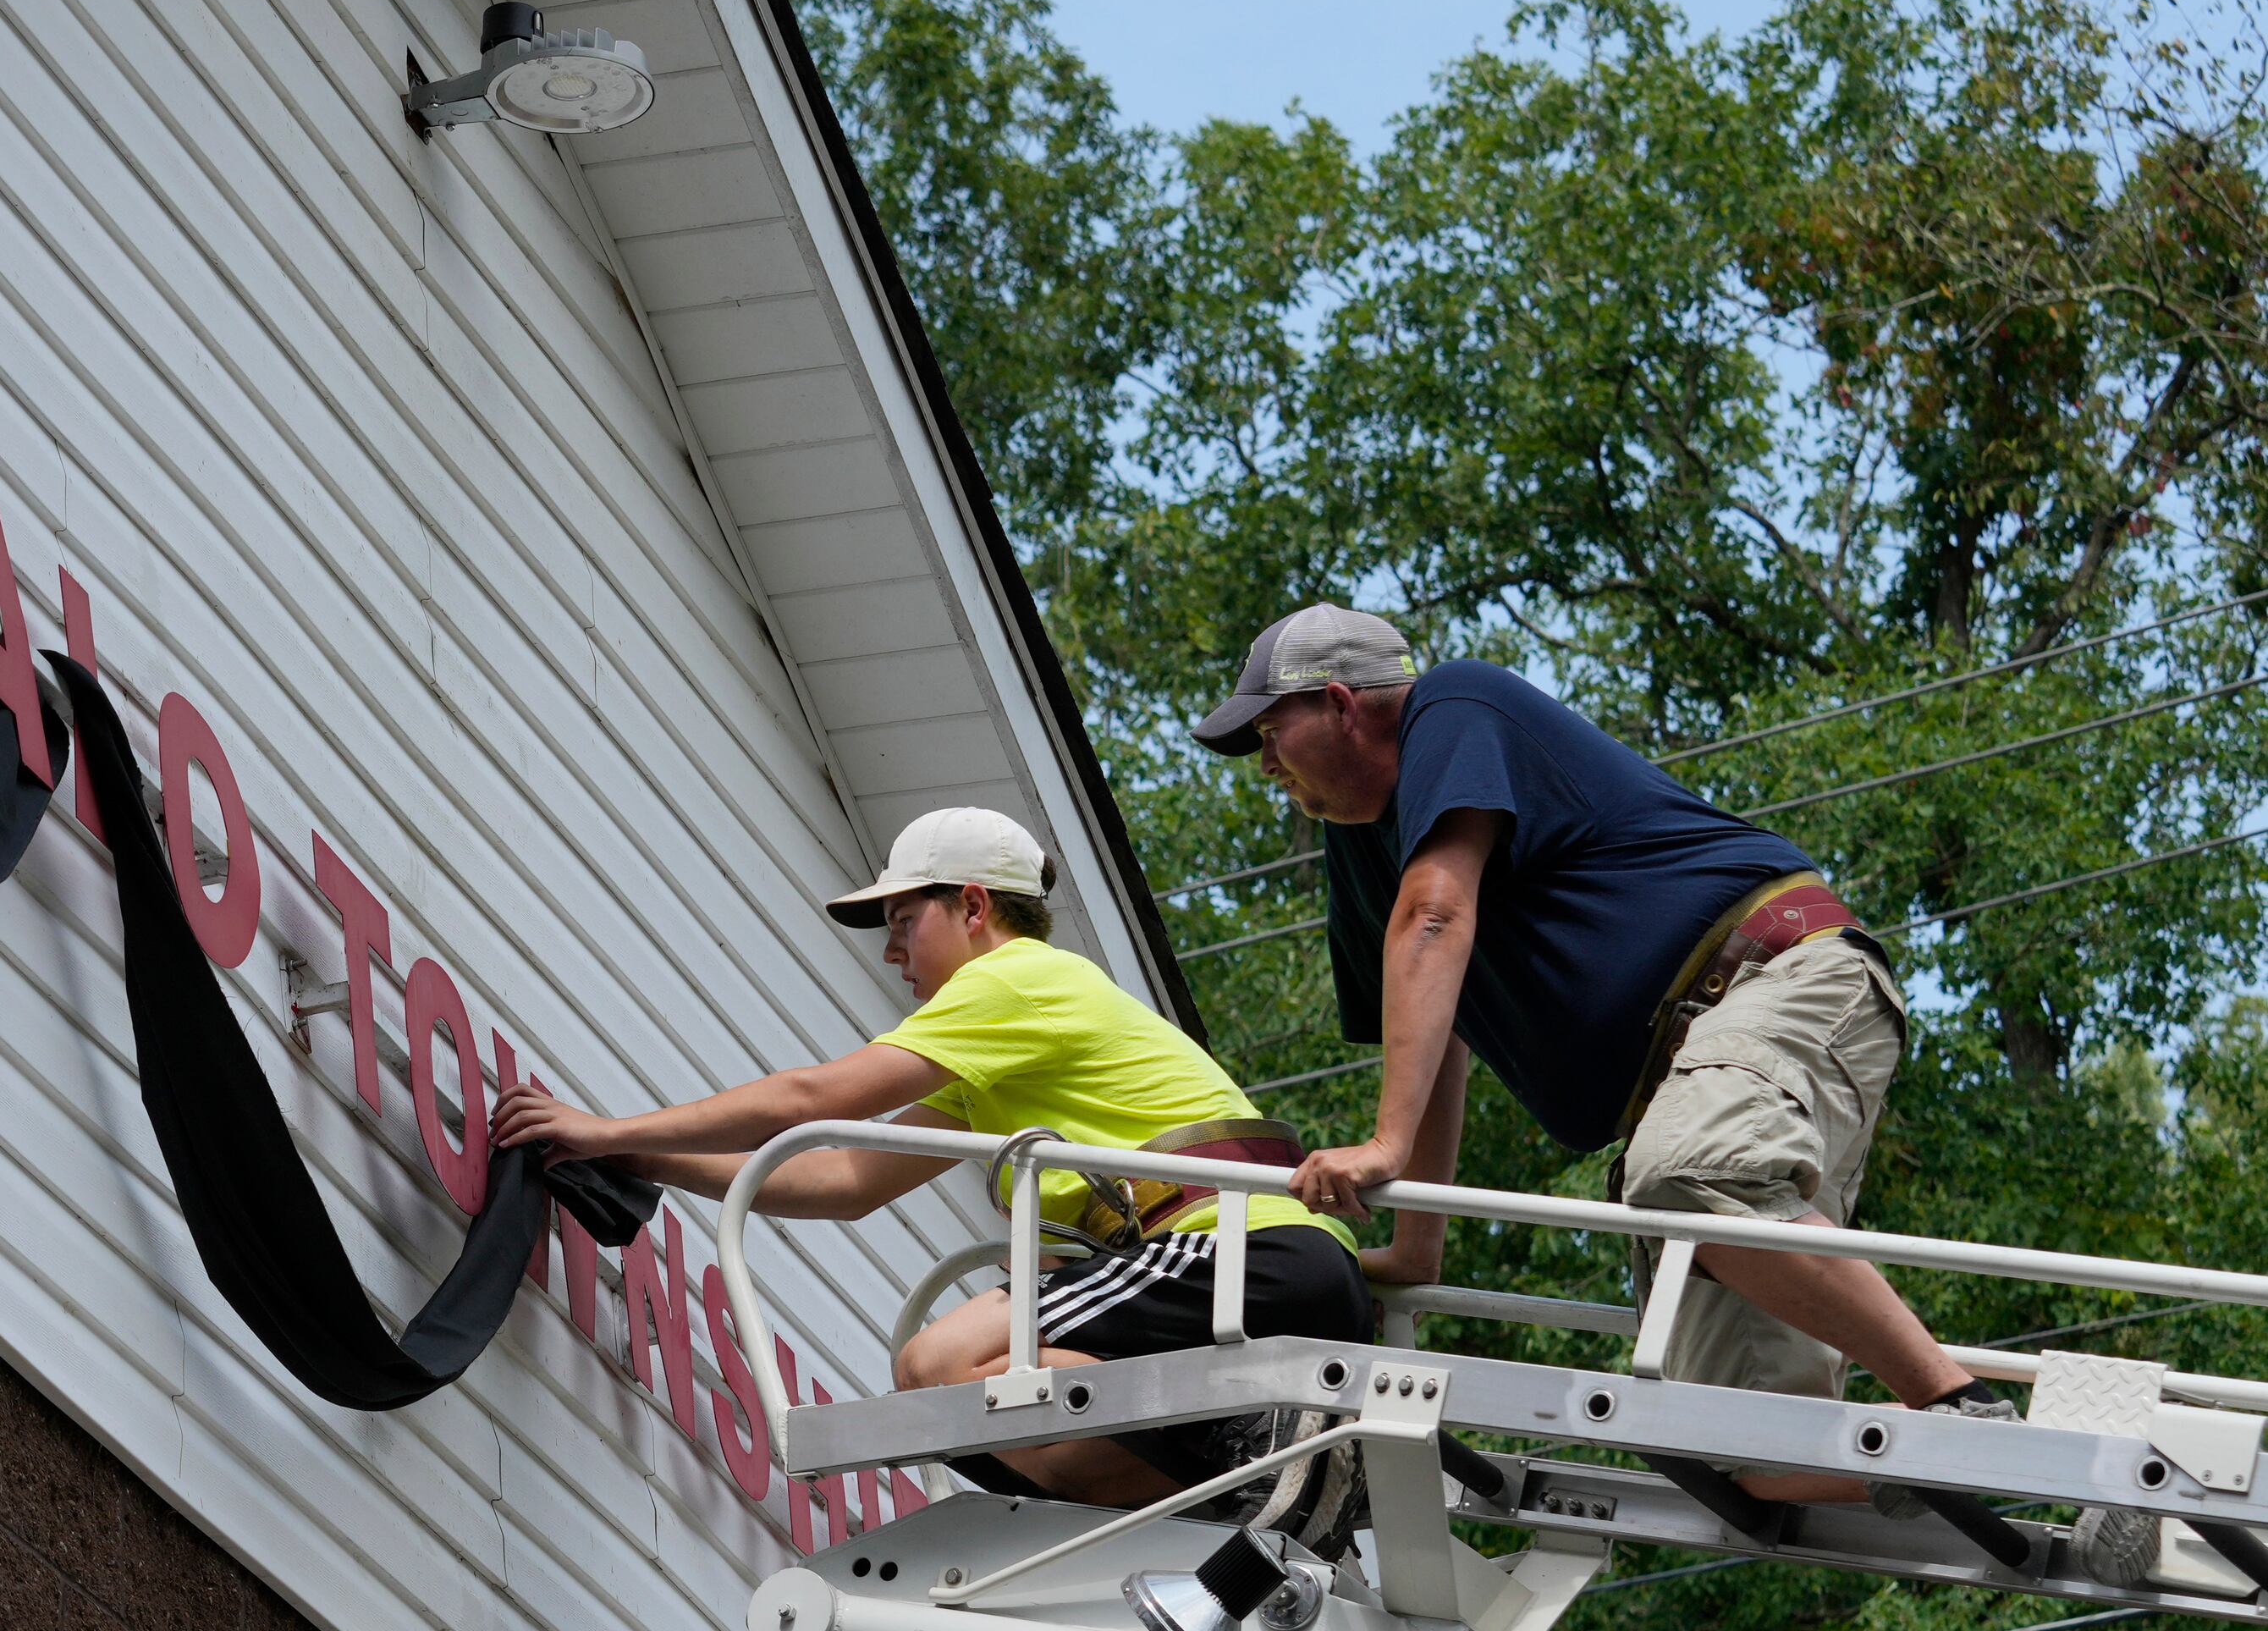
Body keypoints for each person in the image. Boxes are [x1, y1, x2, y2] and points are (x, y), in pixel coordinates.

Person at [1188, 606, 2014, 1524]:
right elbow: (1435, 1022)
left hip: (1774, 980)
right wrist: (1416, 1240)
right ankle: (1998, 1473)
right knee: (1741, 1451)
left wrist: (1381, 1147)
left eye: (1270, 732)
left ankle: (1951, 1406)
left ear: (1342, 704)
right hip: (1692, 1074)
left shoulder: (1455, 705)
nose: (1265, 763)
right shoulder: (1362, 846)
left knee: (1685, 1174)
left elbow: (1432, 918)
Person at [489, 806, 1372, 1518]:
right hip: (1242, 1265)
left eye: (904, 920)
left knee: (937, 1371)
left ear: (974, 908)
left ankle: (1242, 1450)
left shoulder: (1014, 979)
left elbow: (811, 1100)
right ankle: (1248, 1483)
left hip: (1234, 1254)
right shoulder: (1004, 1045)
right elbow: (841, 1181)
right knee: (971, 1407)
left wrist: (604, 1129)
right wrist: (646, 1157)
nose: (891, 949)